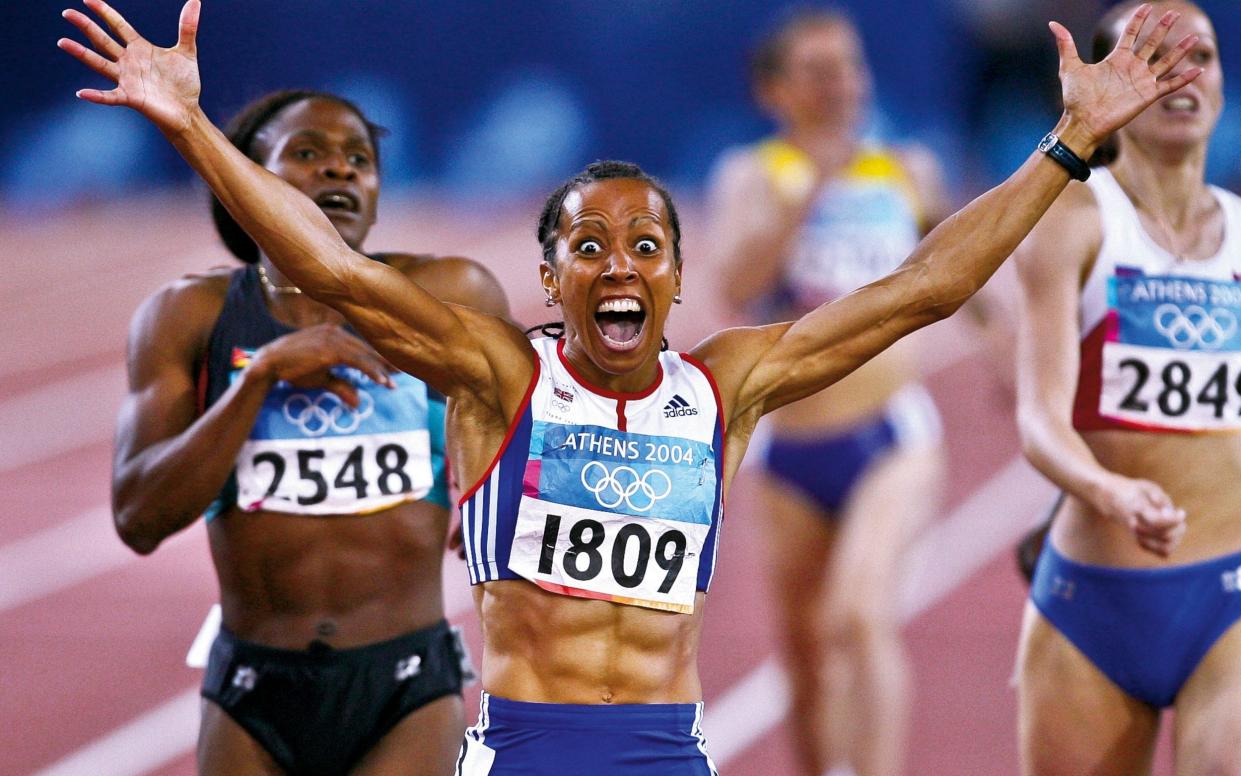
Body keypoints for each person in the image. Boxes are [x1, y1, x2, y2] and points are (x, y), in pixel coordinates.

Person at [58, 1, 1200, 771]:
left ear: (676, 273)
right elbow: (325, 266)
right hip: (516, 746)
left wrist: (1065, 147)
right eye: (589, 246)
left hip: (665, 750)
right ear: (548, 275)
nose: (619, 263)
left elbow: (922, 289)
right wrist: (195, 126)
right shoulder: (494, 372)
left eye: (644, 244)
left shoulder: (728, 384)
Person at [99, 81, 510, 775]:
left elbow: (519, 427)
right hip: (254, 691)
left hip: (406, 684)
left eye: (359, 157)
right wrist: (258, 378)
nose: (340, 169)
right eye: (308, 152)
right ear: (248, 181)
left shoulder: (448, 294)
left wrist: (489, 487)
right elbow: (139, 518)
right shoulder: (187, 317)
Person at [707, 12, 949, 775]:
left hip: (890, 436)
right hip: (789, 448)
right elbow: (736, 288)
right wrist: (806, 185)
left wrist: (1009, 343)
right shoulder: (751, 175)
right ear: (776, 90)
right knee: (805, 657)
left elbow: (959, 263)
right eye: (817, 70)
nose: (840, 83)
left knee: (859, 615)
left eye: (848, 66)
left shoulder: (906, 169)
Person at [1011, 2, 1241, 773]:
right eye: (1153, 57)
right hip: (1092, 605)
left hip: (1228, 597)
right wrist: (1105, 490)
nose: (1182, 75)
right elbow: (1041, 421)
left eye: (1199, 56)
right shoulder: (1071, 221)